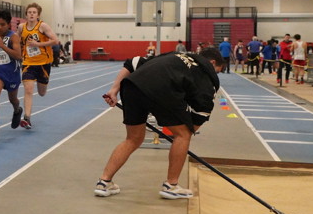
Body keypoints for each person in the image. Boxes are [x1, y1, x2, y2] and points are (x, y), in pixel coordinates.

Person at [96, 47, 223, 200]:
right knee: (183, 135)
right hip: (163, 88)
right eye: (217, 71)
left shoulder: (176, 55)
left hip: (132, 85)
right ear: (212, 63)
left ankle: (104, 182)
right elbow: (199, 117)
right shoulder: (206, 78)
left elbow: (132, 63)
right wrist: (185, 133)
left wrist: (114, 90)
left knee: (133, 139)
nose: (215, 75)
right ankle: (171, 185)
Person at [18, 2, 59, 130]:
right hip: (28, 63)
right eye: (29, 12)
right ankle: (27, 118)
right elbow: (18, 42)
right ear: (26, 14)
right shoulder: (21, 27)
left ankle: (42, 85)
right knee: (28, 90)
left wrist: (38, 44)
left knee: (42, 92)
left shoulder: (43, 26)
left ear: (38, 15)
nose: (31, 14)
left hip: (43, 63)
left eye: (34, 12)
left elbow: (55, 40)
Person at [0, 9, 24, 139]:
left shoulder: (14, 37)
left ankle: (17, 110)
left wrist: (3, 46)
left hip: (12, 73)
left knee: (13, 99)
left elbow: (18, 56)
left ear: (8, 25)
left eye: (2, 24)